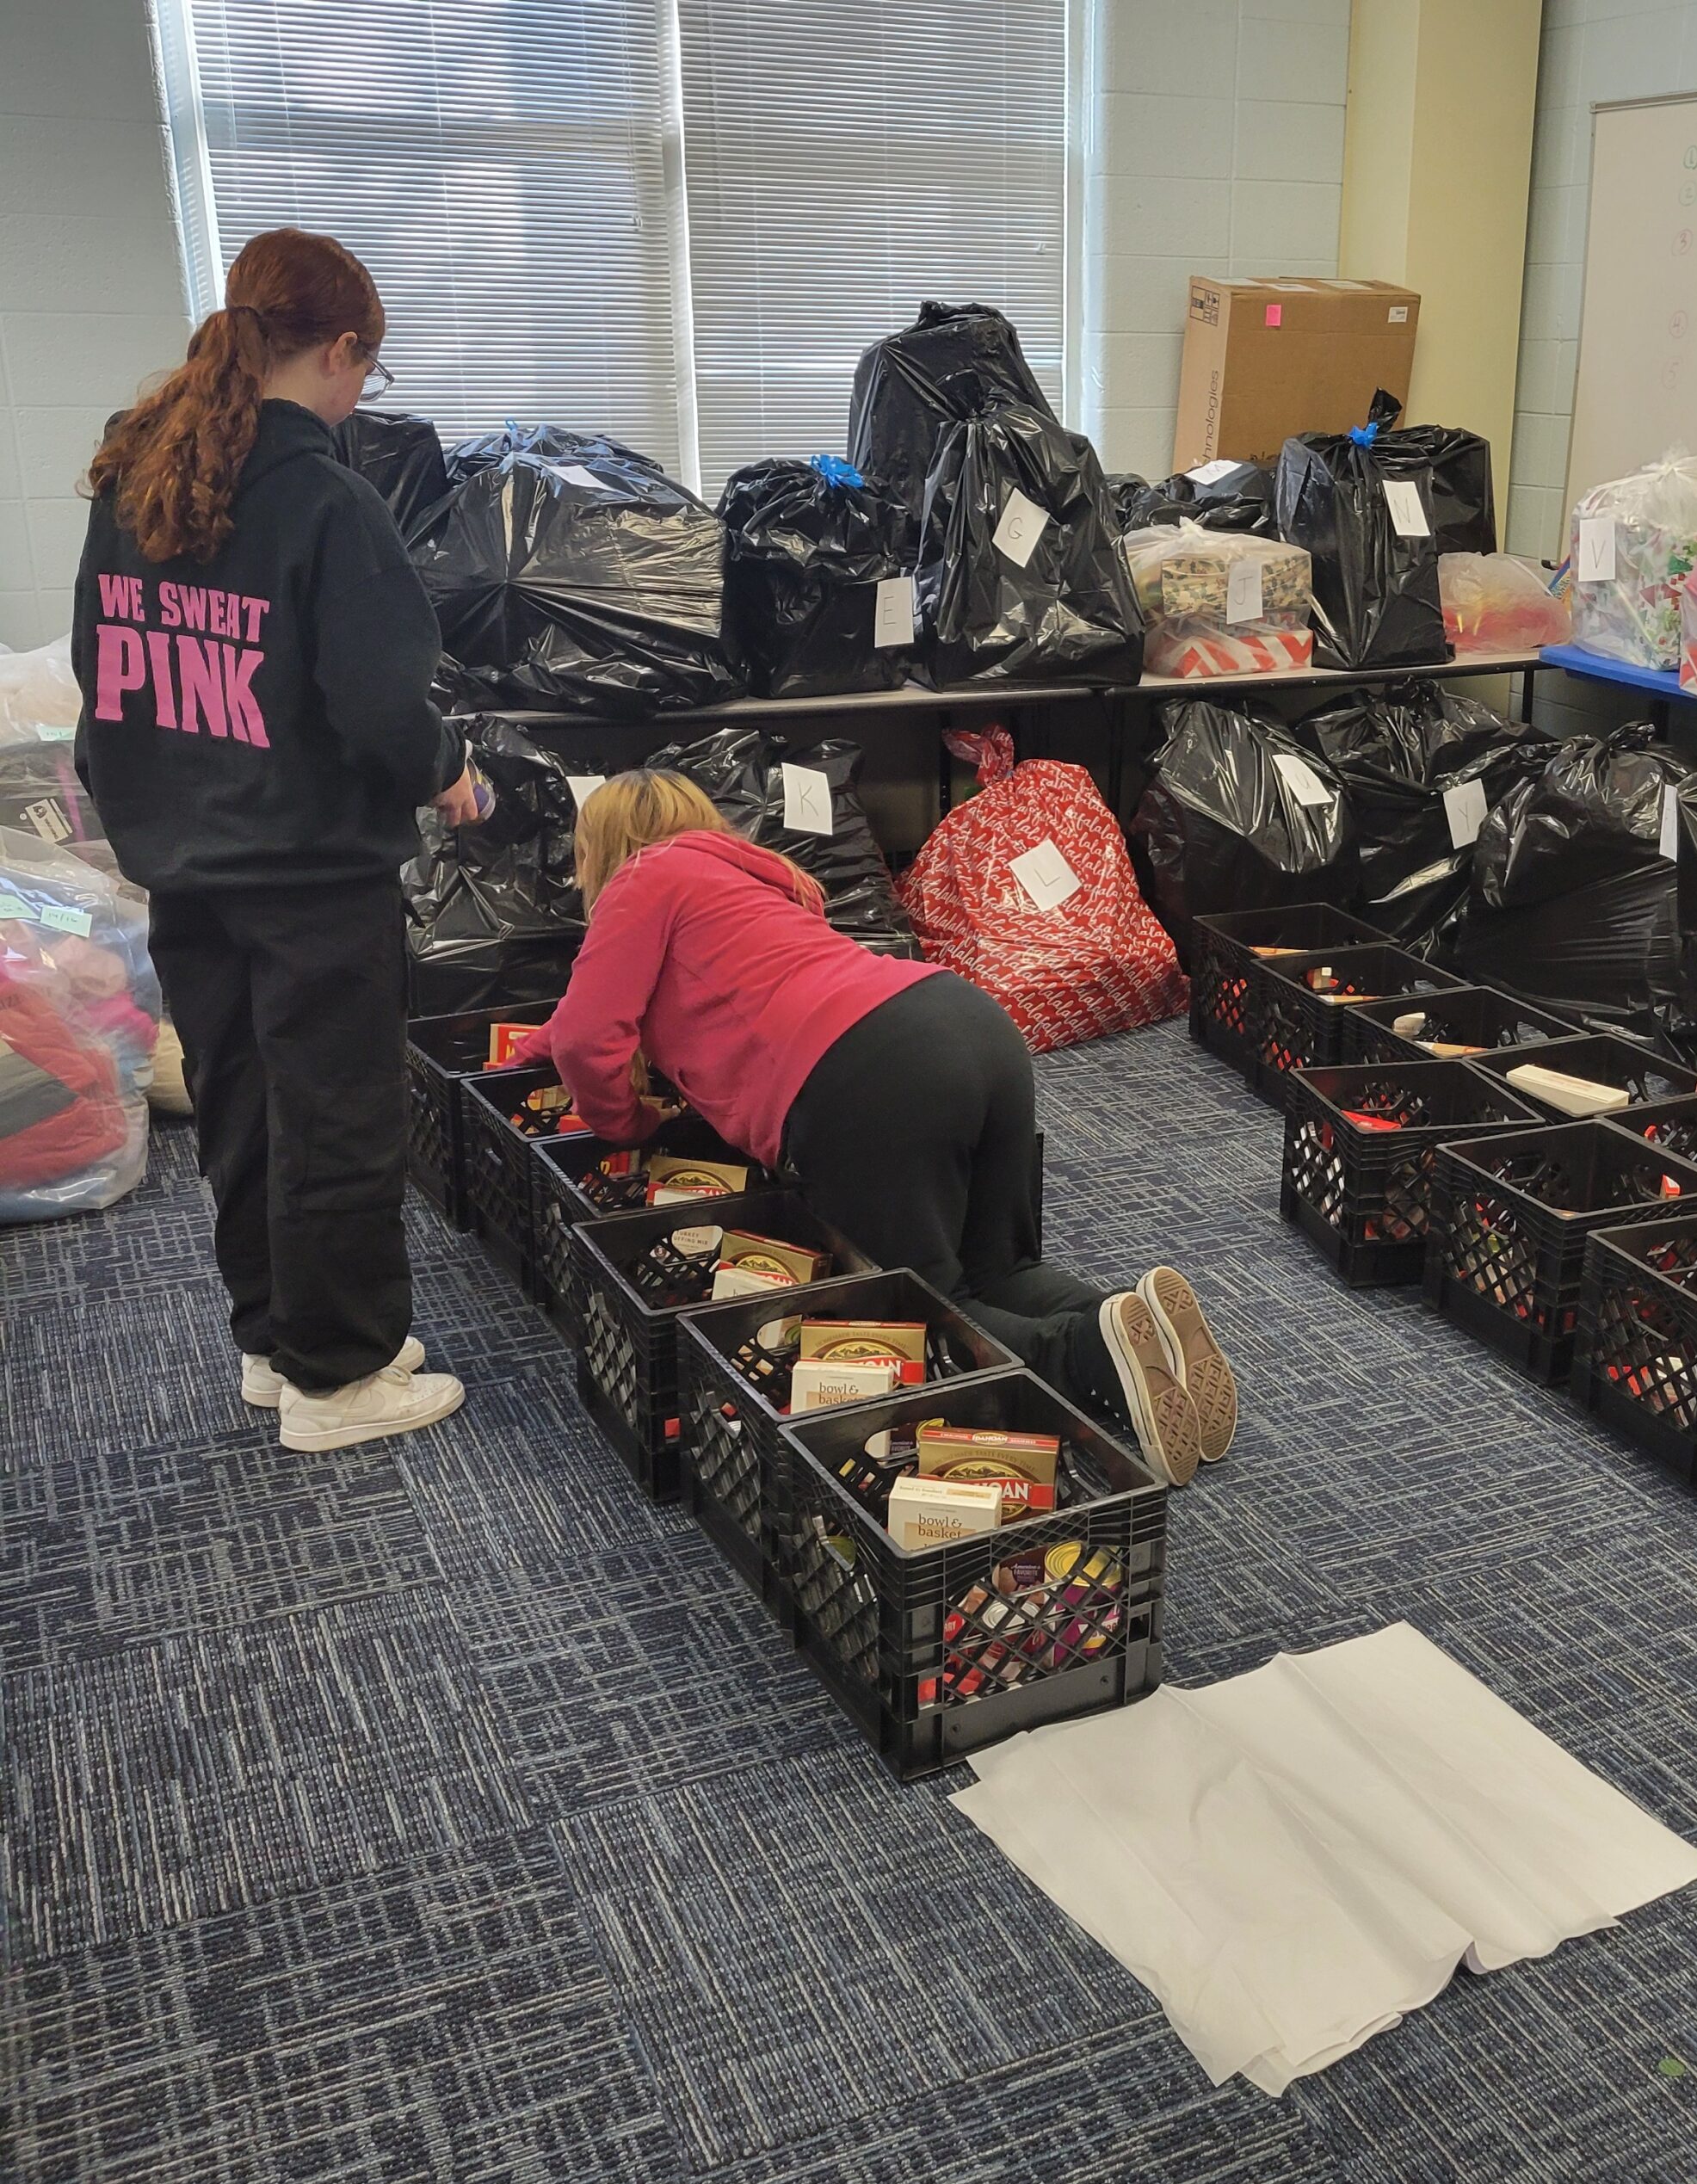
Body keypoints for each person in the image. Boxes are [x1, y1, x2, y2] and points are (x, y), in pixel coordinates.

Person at [507, 769, 1237, 1485]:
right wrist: (524, 1052)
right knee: (1001, 1269)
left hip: (866, 1075)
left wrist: (629, 1124)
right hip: (966, 1021)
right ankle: (1133, 1329)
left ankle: (1086, 1359)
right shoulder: (757, 880)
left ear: (602, 847)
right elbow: (573, 1023)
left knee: (918, 1308)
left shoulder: (641, 878)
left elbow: (588, 1040)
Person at [72, 227, 477, 1451]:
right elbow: (377, 704)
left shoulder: (142, 472)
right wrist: (448, 769)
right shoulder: (327, 500)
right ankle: (339, 1382)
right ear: (341, 349)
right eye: (369, 368)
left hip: (185, 865)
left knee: (243, 1110)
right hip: (310, 875)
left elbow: (103, 668)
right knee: (337, 1119)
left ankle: (276, 1341)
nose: (364, 392)